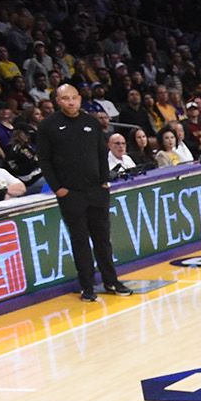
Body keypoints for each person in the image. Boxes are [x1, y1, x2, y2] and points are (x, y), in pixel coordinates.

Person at [37, 83, 127, 302]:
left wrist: (105, 181)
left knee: (103, 239)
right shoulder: (48, 126)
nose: (71, 102)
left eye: (74, 98)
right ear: (58, 101)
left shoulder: (91, 122)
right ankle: (88, 286)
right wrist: (58, 188)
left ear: (79, 98)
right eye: (65, 98)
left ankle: (111, 280)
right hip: (71, 194)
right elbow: (45, 160)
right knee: (80, 241)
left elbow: (101, 153)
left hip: (97, 190)